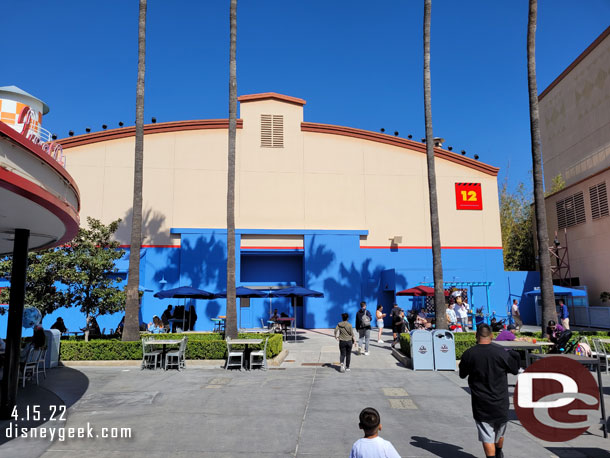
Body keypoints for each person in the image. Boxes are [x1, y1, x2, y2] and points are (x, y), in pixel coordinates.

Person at [459, 324, 520, 458]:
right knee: (500, 432)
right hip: (501, 401)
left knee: (487, 435)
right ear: (492, 335)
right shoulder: (501, 353)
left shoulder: (469, 353)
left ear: (476, 336)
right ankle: (499, 453)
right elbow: (515, 370)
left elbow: (462, 374)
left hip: (481, 402)